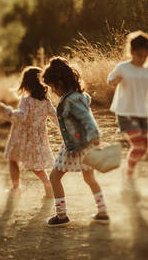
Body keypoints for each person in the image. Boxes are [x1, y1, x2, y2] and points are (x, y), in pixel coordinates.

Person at [42, 56, 109, 227]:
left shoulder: (71, 99)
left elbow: (87, 118)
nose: (52, 91)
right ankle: (102, 212)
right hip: (83, 144)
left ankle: (61, 216)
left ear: (60, 82)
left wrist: (95, 135)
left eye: (52, 87)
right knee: (89, 178)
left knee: (54, 177)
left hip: (76, 144)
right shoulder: (80, 96)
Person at [107, 31, 148, 188]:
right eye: (139, 54)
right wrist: (114, 81)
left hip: (143, 113)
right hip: (126, 112)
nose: (142, 58)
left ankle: (128, 169)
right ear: (131, 52)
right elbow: (110, 80)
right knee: (138, 146)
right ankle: (128, 174)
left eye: (145, 55)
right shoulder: (123, 67)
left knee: (145, 148)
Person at [0, 66, 56, 199]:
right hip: (38, 138)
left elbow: (21, 116)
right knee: (35, 165)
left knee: (13, 160)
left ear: (26, 84)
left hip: (21, 137)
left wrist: (8, 111)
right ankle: (47, 184)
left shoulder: (26, 101)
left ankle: (16, 188)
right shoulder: (46, 102)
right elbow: (55, 117)